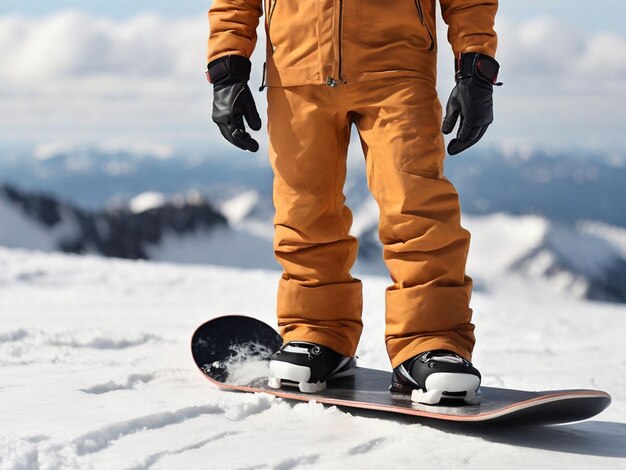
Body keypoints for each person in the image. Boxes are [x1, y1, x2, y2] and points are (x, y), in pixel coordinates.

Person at [206, 0, 500, 405]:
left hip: (396, 66)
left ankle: (431, 340)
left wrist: (476, 67)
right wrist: (227, 67)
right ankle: (317, 332)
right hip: (296, 70)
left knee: (416, 209)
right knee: (303, 211)